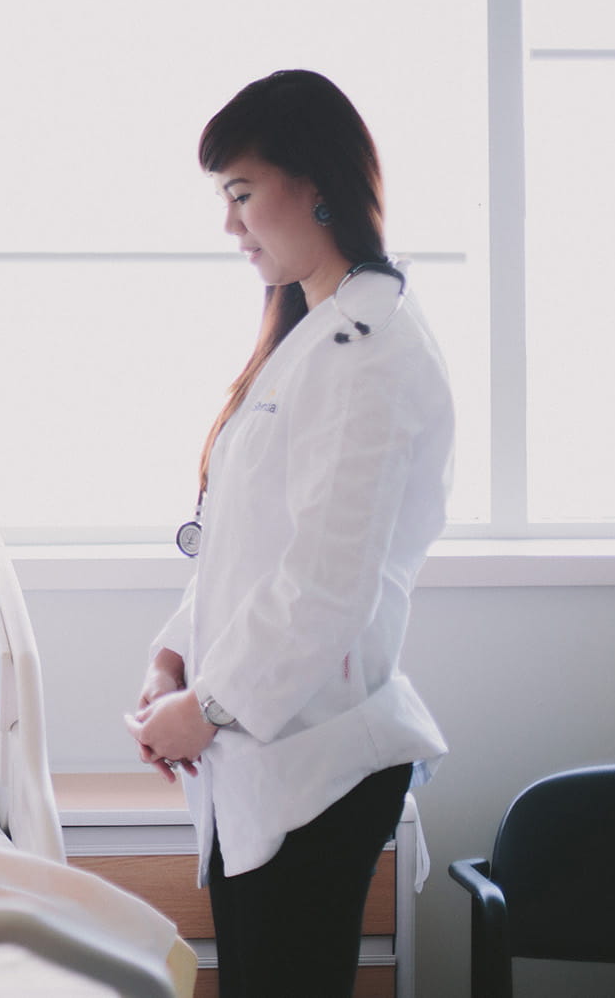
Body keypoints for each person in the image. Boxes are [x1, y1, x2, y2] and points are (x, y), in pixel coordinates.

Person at [123, 71, 451, 996]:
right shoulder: (311, 332)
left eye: (239, 192)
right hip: (263, 752)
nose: (230, 225)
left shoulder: (371, 350)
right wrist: (173, 664)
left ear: (315, 184)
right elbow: (245, 548)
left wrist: (211, 704)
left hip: (314, 759)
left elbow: (324, 586)